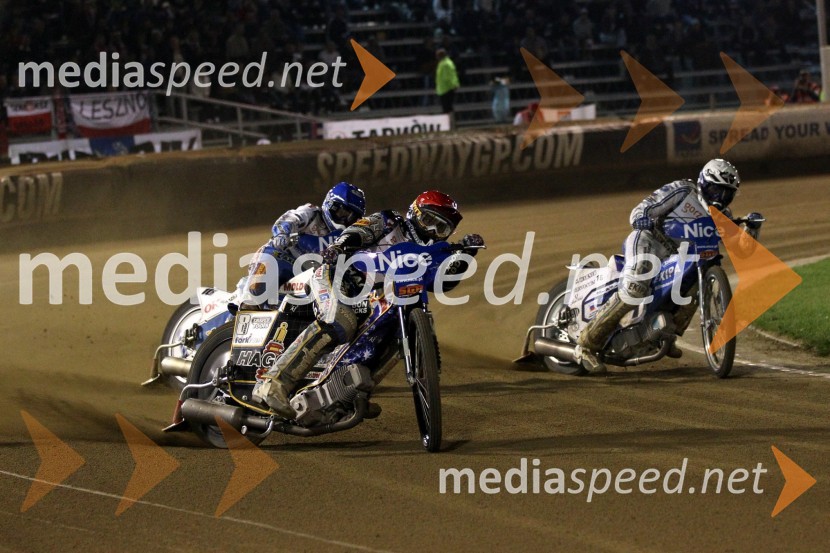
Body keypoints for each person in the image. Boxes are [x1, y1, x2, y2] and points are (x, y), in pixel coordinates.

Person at [252, 190, 484, 417]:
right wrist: (340, 246)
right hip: (339, 276)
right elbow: (359, 230)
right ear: (414, 213)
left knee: (392, 336)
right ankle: (273, 383)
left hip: (374, 298)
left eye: (441, 227)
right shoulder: (389, 220)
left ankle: (347, 395)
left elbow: (441, 283)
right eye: (428, 220)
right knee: (339, 321)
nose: (432, 230)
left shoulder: (436, 251)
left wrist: (465, 257)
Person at [576, 159, 762, 372]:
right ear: (703, 182)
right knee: (635, 288)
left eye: (726, 193)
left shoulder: (723, 217)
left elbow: (743, 251)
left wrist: (752, 230)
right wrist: (641, 218)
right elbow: (643, 208)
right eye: (715, 190)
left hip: (678, 259)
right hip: (649, 240)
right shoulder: (682, 190)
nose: (719, 198)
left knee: (695, 286)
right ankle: (586, 345)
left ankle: (666, 335)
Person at [238, 182, 366, 309]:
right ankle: (249, 303)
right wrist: (283, 234)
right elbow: (289, 219)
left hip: (313, 276)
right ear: (331, 205)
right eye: (343, 213)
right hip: (285, 261)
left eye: (353, 219)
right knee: (271, 255)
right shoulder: (310, 212)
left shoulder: (349, 237)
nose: (346, 221)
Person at [435, 48, 460, 114]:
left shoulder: (445, 64)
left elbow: (450, 76)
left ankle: (451, 122)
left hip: (447, 89)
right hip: (444, 88)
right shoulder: (444, 63)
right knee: (447, 108)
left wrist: (454, 84)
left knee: (447, 108)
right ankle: (450, 121)